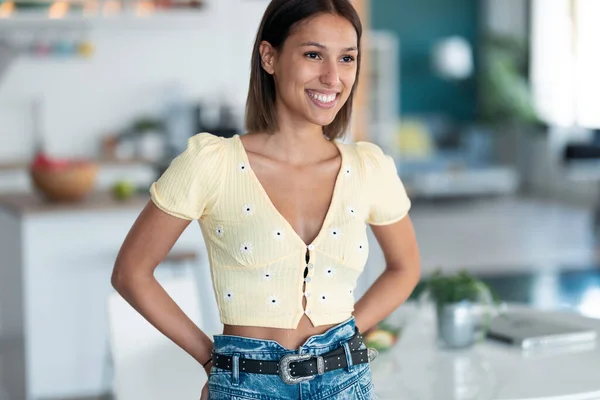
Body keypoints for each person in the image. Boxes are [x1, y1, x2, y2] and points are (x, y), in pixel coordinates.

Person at [110, 0, 421, 398]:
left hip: (346, 379)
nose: (332, 77)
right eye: (313, 55)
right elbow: (132, 273)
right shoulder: (212, 163)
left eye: (347, 58)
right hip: (246, 385)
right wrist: (212, 359)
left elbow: (405, 267)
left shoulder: (369, 167)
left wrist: (345, 335)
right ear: (269, 57)